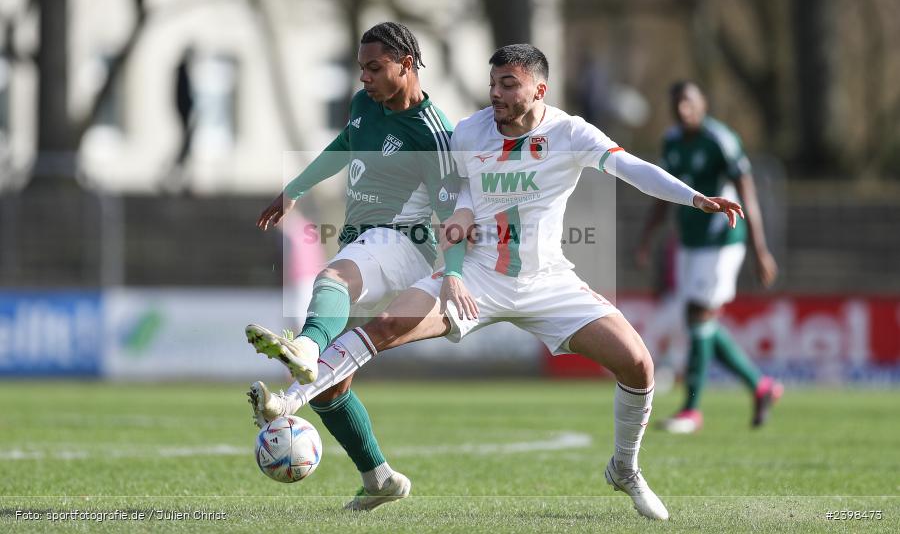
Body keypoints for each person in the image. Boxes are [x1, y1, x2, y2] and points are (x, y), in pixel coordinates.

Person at [248, 44, 746, 521]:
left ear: (539, 90)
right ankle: (287, 402)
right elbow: (458, 208)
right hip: (479, 277)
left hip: (547, 281)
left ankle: (624, 468)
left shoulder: (570, 133)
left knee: (638, 364)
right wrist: (454, 272)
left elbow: (631, 168)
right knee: (381, 329)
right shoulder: (469, 133)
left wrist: (695, 198)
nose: (497, 94)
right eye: (492, 84)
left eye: (509, 84)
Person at [248, 22, 460, 511]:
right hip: (366, 240)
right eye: (360, 67)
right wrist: (294, 189)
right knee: (330, 387)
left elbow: (452, 215)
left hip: (405, 244)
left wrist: (455, 274)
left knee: (332, 277)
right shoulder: (366, 105)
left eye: (373, 67)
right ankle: (380, 478)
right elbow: (345, 145)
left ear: (406, 65)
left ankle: (303, 345)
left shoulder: (434, 133)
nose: (363, 78)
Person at [635, 80, 782, 434]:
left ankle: (692, 410)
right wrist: (647, 237)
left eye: (688, 102)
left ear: (702, 104)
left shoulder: (720, 140)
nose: (682, 110)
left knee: (698, 313)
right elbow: (661, 191)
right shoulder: (671, 141)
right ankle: (760, 386)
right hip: (689, 242)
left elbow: (748, 193)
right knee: (701, 323)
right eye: (676, 104)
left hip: (722, 240)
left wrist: (760, 251)